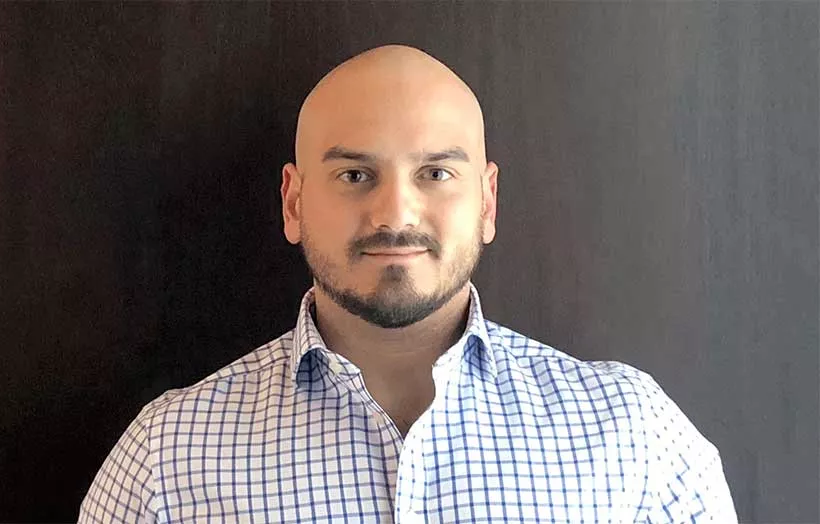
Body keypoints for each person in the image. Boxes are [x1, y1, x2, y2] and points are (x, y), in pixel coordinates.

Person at [79, 45, 737, 523]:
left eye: (435, 173)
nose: (395, 213)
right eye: (355, 175)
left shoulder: (633, 439)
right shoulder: (166, 457)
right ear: (293, 203)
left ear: (486, 201)